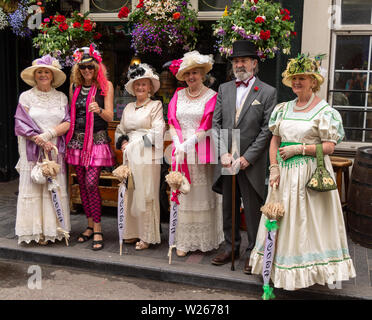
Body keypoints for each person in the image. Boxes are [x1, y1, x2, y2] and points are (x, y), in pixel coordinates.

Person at [249, 54, 356, 290]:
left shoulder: (325, 111)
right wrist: (274, 168)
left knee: (308, 222)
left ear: (313, 82)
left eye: (302, 78)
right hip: (285, 174)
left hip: (310, 174)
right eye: (294, 78)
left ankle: (308, 272)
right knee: (284, 219)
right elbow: (274, 141)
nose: (297, 82)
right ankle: (280, 269)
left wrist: (301, 148)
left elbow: (329, 147)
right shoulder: (283, 108)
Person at [211, 40, 277, 274]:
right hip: (228, 158)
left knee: (251, 209)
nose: (239, 64)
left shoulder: (268, 92)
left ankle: (253, 252)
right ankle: (231, 247)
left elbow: (267, 129)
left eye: (243, 61)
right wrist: (223, 152)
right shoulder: (224, 89)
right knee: (228, 206)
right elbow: (216, 124)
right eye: (236, 61)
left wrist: (248, 157)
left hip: (251, 162)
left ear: (254, 64)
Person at [168, 51, 224, 257]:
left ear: (202, 74)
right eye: (188, 73)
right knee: (183, 194)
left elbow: (207, 125)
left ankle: (204, 240)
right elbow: (172, 121)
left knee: (201, 194)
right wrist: (177, 144)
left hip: (201, 150)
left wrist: (189, 144)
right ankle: (184, 241)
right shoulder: (177, 95)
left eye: (195, 73)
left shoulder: (212, 96)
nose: (191, 77)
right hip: (180, 151)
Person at [14, 54, 71, 245]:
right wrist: (40, 140)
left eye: (47, 72)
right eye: (40, 72)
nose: (43, 75)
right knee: (36, 186)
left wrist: (49, 136)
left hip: (54, 148)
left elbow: (67, 122)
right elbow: (21, 124)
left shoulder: (62, 97)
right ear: (35, 75)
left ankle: (53, 230)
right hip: (33, 146)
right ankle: (36, 231)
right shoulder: (26, 96)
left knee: (53, 187)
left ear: (53, 75)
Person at [66, 45, 115, 251]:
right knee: (83, 184)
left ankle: (98, 227)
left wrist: (99, 109)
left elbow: (111, 117)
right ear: (78, 69)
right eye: (83, 68)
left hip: (97, 140)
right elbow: (71, 115)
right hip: (77, 140)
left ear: (97, 68)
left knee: (92, 182)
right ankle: (88, 224)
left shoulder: (106, 87)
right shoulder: (73, 88)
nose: (87, 71)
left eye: (90, 67)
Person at [115, 63, 165, 250]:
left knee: (147, 194)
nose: (140, 88)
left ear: (150, 87)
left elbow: (158, 132)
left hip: (147, 156)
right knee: (131, 192)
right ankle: (131, 232)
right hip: (129, 156)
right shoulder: (127, 107)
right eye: (137, 85)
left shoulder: (156, 106)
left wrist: (136, 145)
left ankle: (147, 236)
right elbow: (120, 129)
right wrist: (123, 142)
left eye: (144, 84)